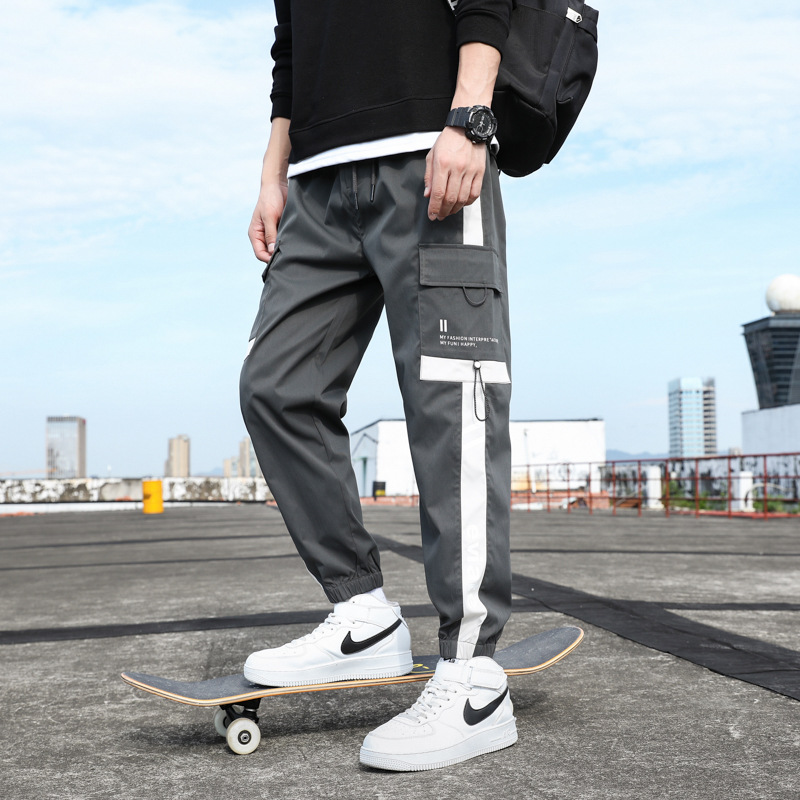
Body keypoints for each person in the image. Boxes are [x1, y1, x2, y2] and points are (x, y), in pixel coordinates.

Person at [239, 0, 515, 771]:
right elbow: (291, 44)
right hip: (316, 182)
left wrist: (470, 117)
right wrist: (273, 171)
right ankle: (362, 615)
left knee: (450, 406)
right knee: (274, 387)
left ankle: (473, 677)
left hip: (428, 150)